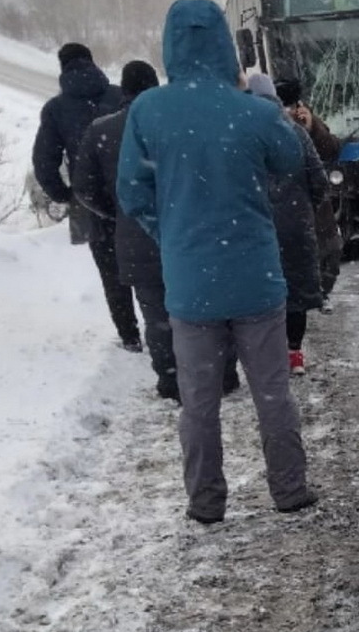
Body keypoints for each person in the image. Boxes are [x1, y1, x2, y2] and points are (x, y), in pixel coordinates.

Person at [117, 0, 317, 524]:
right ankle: (289, 490)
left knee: (199, 404)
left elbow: (131, 193)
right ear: (226, 45)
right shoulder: (251, 110)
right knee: (272, 394)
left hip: (190, 286)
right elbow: (291, 158)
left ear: (170, 45)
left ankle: (206, 504)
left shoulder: (148, 111)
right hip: (256, 278)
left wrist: (174, 234)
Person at [71, 60, 241, 402]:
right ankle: (221, 374)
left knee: (157, 315)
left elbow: (84, 189)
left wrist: (119, 211)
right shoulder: (177, 123)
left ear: (125, 88)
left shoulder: (100, 131)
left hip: (135, 238)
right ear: (155, 86)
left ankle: (170, 381)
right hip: (188, 232)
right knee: (207, 306)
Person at [32, 42, 138, 350]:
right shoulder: (120, 97)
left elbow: (44, 160)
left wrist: (64, 194)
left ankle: (130, 336)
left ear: (62, 68)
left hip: (91, 201)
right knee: (151, 263)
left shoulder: (56, 109)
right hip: (134, 193)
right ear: (92, 63)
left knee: (111, 271)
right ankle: (165, 326)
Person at [247, 73, 327, 376]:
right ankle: (294, 353)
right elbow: (319, 180)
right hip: (295, 226)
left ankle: (270, 354)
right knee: (296, 293)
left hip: (258, 228)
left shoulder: (240, 136)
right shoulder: (295, 132)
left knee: (264, 293)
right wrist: (304, 209)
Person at [275, 79, 344, 314]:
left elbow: (332, 148)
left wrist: (313, 127)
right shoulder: (271, 126)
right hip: (289, 204)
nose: (290, 111)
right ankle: (301, 299)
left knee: (331, 252)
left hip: (316, 204)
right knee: (298, 256)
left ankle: (321, 292)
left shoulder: (308, 121)